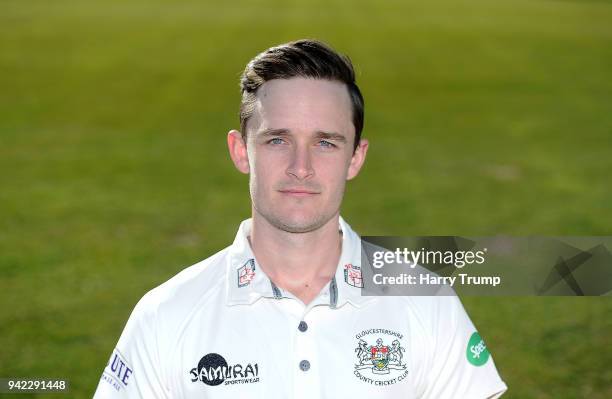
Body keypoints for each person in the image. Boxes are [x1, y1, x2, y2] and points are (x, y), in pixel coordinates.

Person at [93, 39, 508, 398]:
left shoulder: (427, 303)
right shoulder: (166, 314)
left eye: (326, 143)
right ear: (241, 152)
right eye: (278, 140)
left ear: (355, 158)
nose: (301, 166)